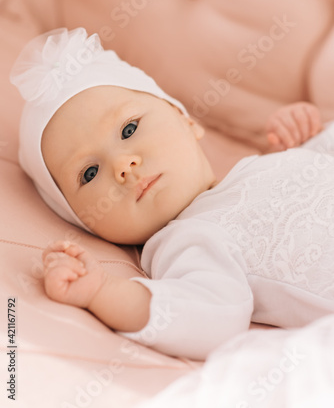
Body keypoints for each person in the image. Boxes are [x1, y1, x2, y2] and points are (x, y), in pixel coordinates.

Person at [11, 28, 333, 361]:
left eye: (129, 129)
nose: (123, 164)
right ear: (81, 221)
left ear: (186, 119)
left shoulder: (262, 165)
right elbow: (211, 317)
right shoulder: (190, 238)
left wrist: (310, 137)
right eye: (89, 174)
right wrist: (103, 291)